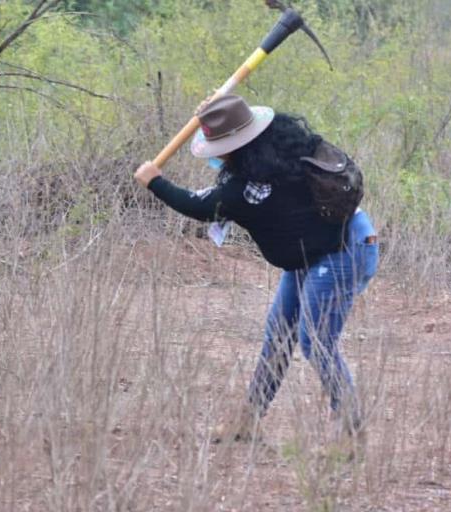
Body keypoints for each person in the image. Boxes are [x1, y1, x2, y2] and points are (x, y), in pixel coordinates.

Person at [133, 95, 379, 443]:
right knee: (279, 334)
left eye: (220, 146)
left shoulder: (248, 190)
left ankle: (351, 432)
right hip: (314, 249)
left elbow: (199, 206)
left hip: (343, 250)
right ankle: (247, 421)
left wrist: (155, 181)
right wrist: (215, 109)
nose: (216, 154)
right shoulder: (277, 146)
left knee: (316, 342)